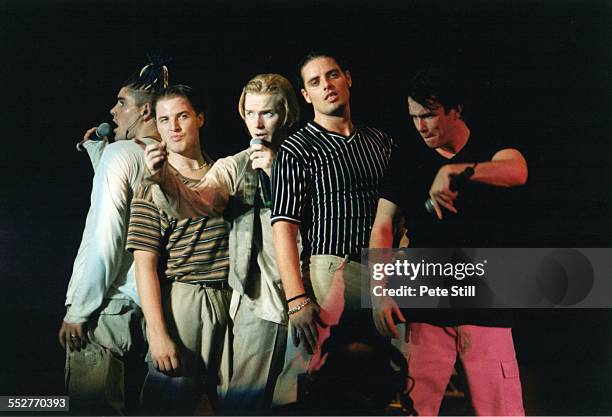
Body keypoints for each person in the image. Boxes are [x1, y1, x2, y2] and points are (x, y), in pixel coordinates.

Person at [369, 66, 528, 416]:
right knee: (415, 406)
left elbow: (516, 169)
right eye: (414, 117)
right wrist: (379, 290)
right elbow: (383, 223)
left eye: (428, 115)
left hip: (486, 299)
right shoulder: (408, 157)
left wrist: (456, 170)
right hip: (425, 301)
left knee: (499, 407)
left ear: (455, 110)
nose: (420, 126)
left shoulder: (488, 142)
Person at [140, 73, 300, 414]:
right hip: (241, 300)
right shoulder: (234, 165)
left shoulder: (302, 158)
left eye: (267, 113)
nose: (257, 124)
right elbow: (197, 203)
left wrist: (280, 176)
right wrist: (163, 179)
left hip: (245, 296)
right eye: (250, 113)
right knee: (203, 399)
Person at [270, 51, 394, 405]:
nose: (327, 85)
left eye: (333, 75)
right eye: (315, 81)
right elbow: (283, 228)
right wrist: (296, 299)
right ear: (306, 95)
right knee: (313, 374)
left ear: (348, 78)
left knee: (378, 377)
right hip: (332, 267)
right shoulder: (297, 148)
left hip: (382, 268)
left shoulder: (379, 141)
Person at [58, 59, 168, 415]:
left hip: (105, 310)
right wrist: (99, 155)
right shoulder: (163, 160)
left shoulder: (120, 154)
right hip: (142, 309)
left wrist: (80, 308)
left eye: (122, 103)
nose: (113, 110)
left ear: (146, 110)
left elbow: (106, 237)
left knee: (91, 408)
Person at [126, 85, 231, 415]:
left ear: (199, 118)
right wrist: (158, 335)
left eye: (182, 116)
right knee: (170, 402)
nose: (173, 127)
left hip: (229, 301)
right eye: (164, 119)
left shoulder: (224, 175)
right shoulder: (151, 185)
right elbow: (144, 265)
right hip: (183, 302)